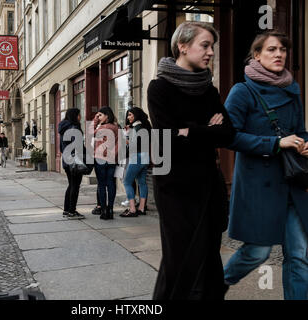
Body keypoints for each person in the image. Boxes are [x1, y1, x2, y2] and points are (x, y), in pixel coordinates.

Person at [147, 21, 235, 300]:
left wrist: (188, 130)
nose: (210, 52)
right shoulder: (159, 87)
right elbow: (164, 137)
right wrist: (205, 130)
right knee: (179, 257)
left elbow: (227, 133)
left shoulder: (208, 89)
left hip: (208, 185)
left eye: (213, 46)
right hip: (174, 185)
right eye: (205, 45)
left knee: (209, 254)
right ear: (182, 46)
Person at [223, 31, 308, 300]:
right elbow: (230, 136)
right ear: (257, 55)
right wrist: (275, 143)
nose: (279, 54)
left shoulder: (292, 91)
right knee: (257, 252)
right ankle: (216, 284)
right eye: (271, 49)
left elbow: (300, 130)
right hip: (258, 184)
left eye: (282, 49)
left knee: (300, 254)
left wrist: (304, 143)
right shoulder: (242, 91)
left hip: (292, 183)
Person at [120, 107, 152, 217]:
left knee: (127, 182)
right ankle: (142, 208)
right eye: (128, 115)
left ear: (136, 115)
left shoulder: (137, 128)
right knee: (142, 182)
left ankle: (132, 209)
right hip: (145, 156)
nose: (128, 117)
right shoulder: (145, 126)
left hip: (136, 157)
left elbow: (134, 145)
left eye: (130, 115)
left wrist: (126, 138)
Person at [58, 108, 85, 220]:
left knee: (71, 185)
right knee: (75, 185)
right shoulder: (74, 127)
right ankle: (72, 211)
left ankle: (66, 210)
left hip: (66, 159)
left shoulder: (64, 127)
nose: (81, 117)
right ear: (75, 116)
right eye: (79, 115)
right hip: (75, 161)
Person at [92, 107, 119, 220]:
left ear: (107, 116)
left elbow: (91, 134)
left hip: (100, 159)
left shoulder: (102, 128)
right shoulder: (116, 127)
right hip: (112, 159)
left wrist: (95, 121)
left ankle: (103, 210)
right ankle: (111, 209)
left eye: (100, 115)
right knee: (111, 184)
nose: (99, 117)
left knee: (102, 185)